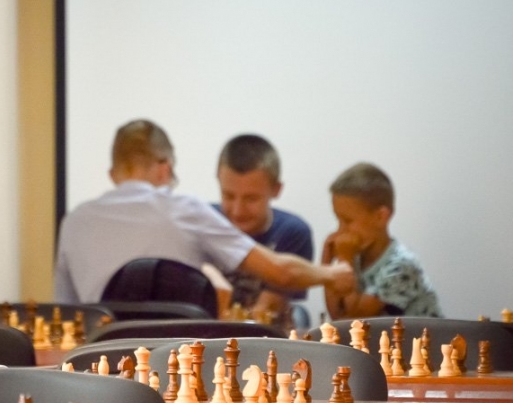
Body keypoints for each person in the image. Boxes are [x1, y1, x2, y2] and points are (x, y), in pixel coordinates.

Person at [54, 119, 354, 305]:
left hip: (101, 361)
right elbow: (280, 272)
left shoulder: (74, 221)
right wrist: (331, 274)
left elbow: (66, 309)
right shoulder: (183, 209)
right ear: (165, 168)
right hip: (179, 360)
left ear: (113, 174)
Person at [321, 162, 442, 319]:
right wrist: (327, 265)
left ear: (380, 217)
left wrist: (345, 261)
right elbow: (337, 316)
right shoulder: (356, 257)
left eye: (347, 221)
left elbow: (353, 321)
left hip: (421, 336)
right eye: (338, 220)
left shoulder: (401, 265)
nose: (340, 230)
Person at [214, 134, 313, 315]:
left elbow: (265, 311)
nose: (237, 210)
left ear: (276, 190)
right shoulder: (203, 223)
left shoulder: (292, 232)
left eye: (251, 198)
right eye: (228, 196)